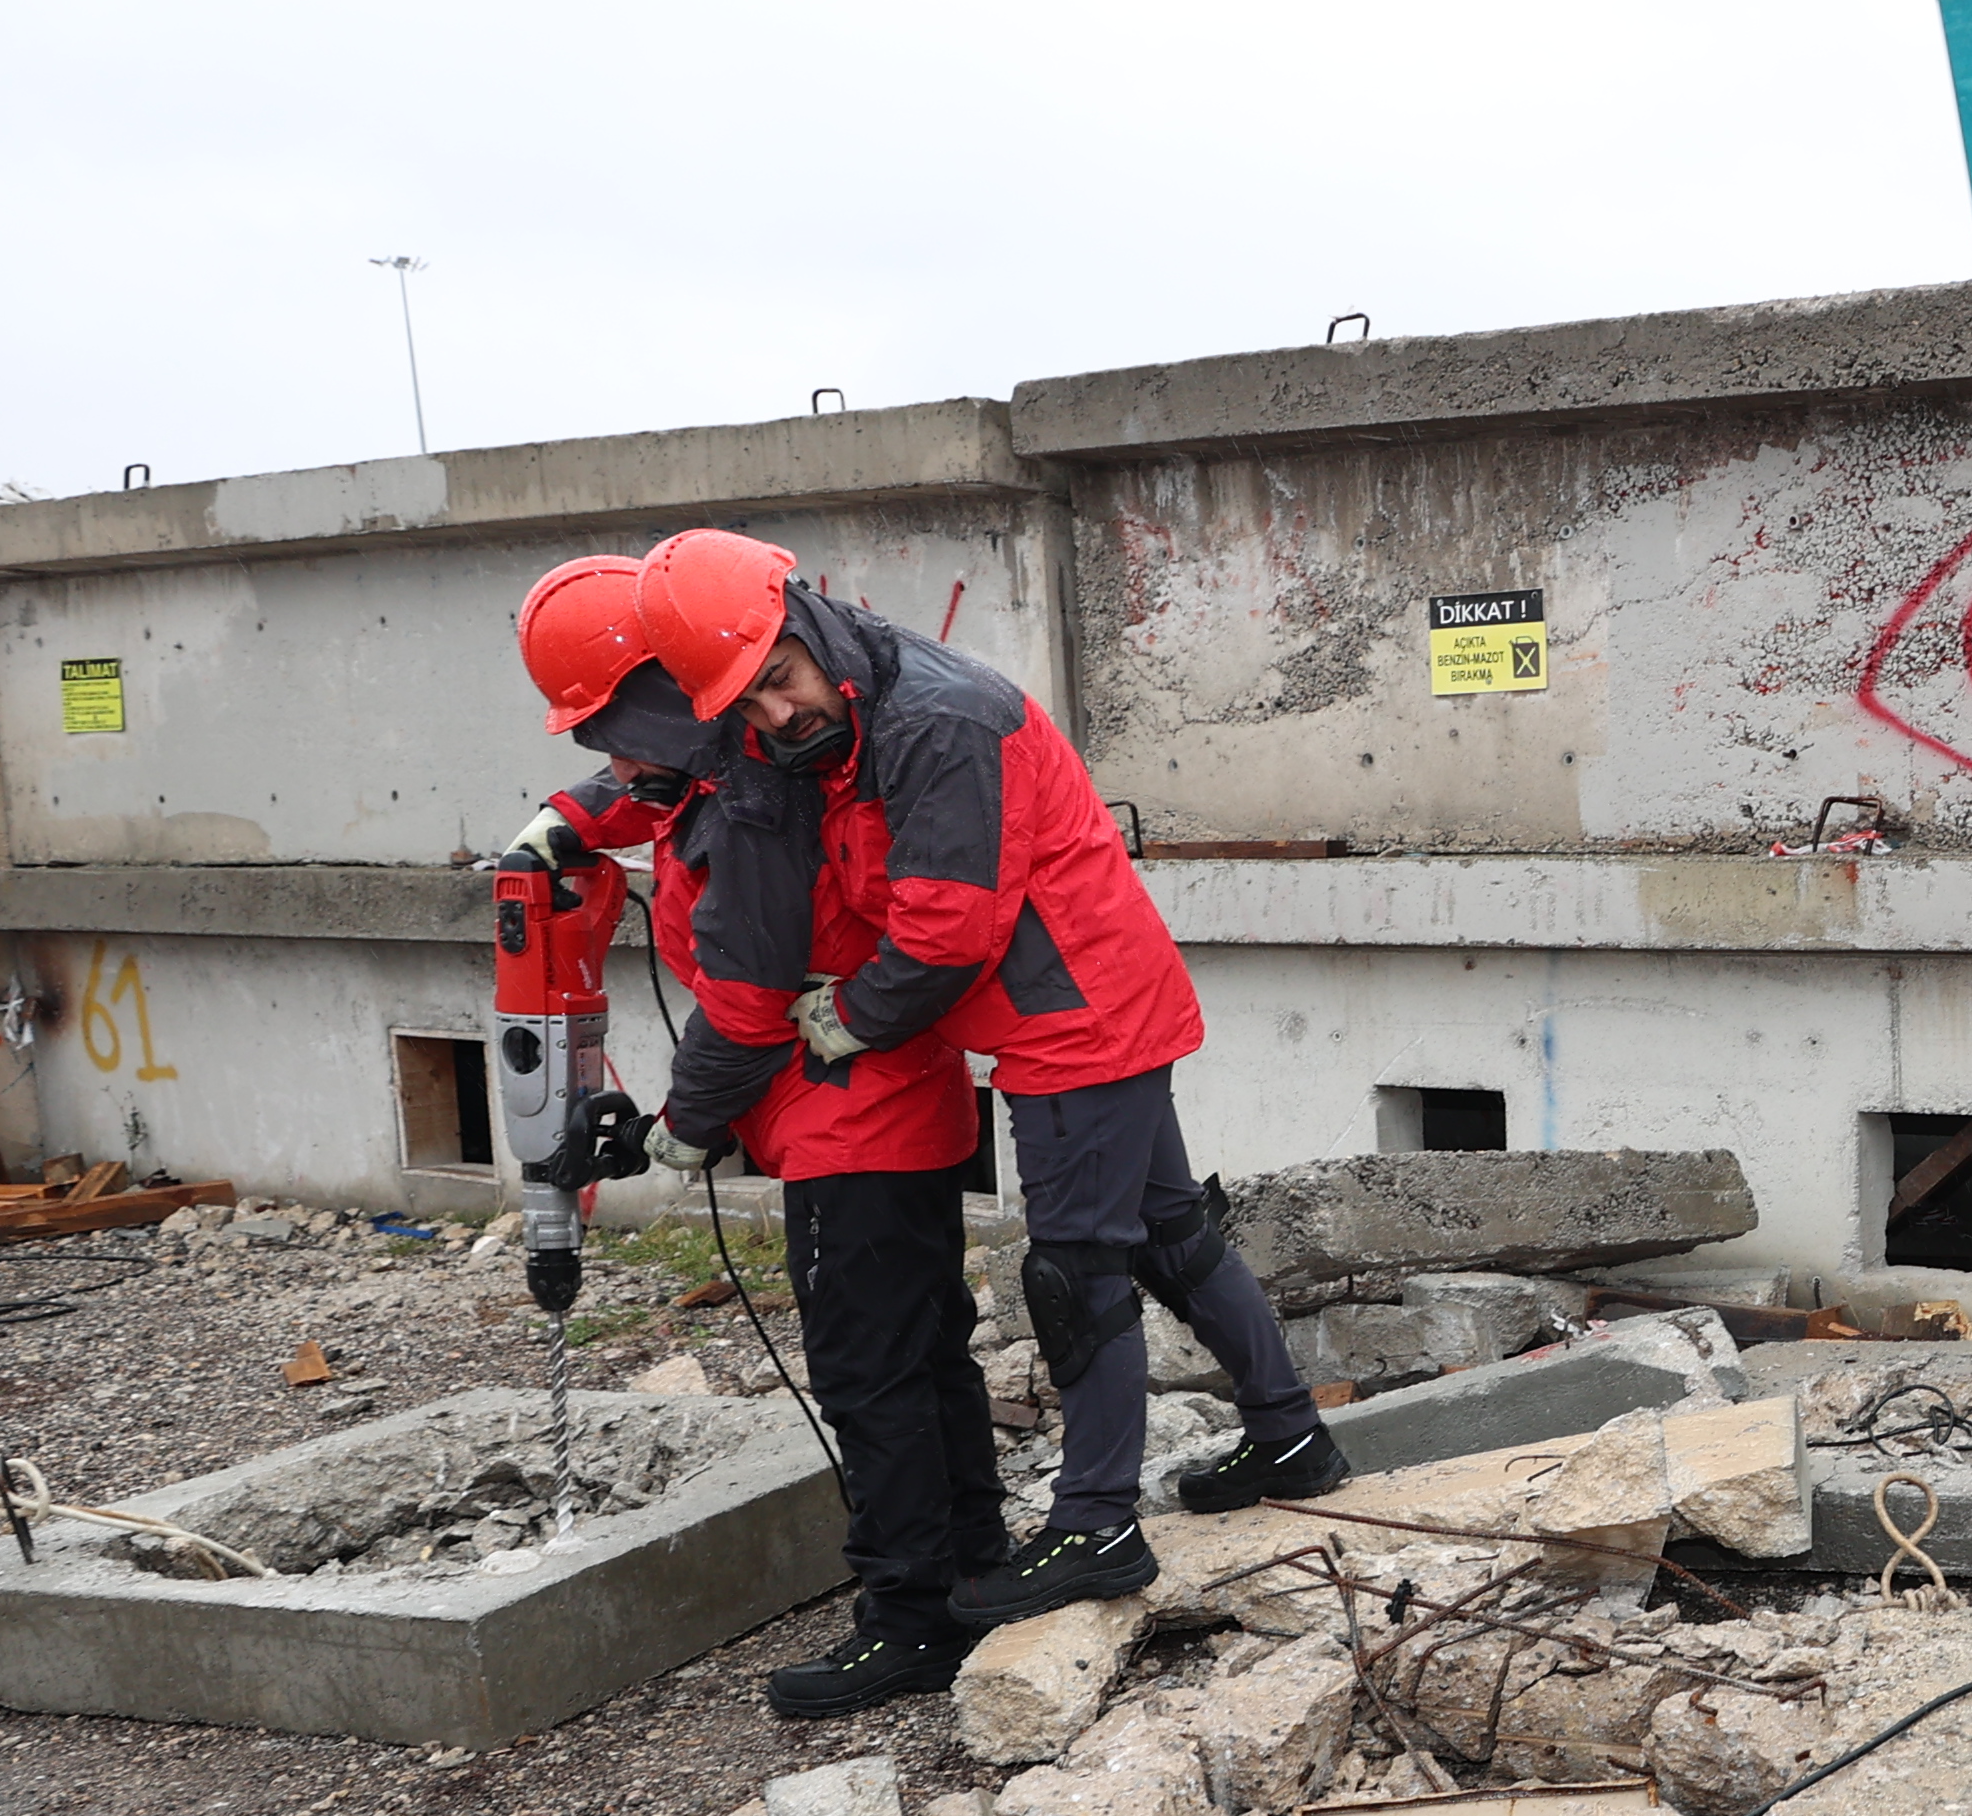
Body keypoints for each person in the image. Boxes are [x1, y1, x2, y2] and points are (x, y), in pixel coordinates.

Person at [626, 530, 1344, 1623]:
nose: (776, 717)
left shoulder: (939, 719)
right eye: (749, 707)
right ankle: (1291, 1437)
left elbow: (948, 931)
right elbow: (694, 781)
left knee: (1076, 1275)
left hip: (1074, 1023)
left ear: (807, 621)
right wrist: (581, 816)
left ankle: (1095, 1525)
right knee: (1171, 1236)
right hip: (1090, 1004)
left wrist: (853, 1018)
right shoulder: (851, 715)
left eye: (779, 682)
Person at [504, 555, 1010, 1719]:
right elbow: (649, 791)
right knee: (927, 1347)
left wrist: (682, 1132)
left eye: (613, 735)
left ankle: (910, 1621)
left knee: (869, 1371)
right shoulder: (724, 759)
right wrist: (568, 821)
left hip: (856, 1121)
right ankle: (974, 1565)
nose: (613, 764)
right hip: (884, 1105)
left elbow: (739, 1007)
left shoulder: (753, 817)